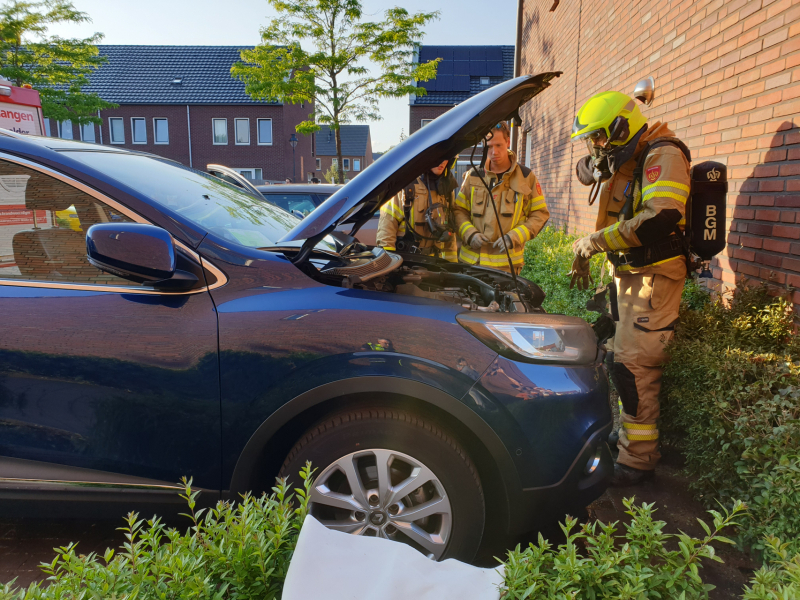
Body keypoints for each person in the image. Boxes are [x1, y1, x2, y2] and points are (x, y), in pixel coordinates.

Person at [569, 90, 691, 486]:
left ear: (622, 129)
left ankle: (638, 460)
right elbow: (600, 175)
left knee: (635, 367)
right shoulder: (633, 157)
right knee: (617, 361)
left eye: (600, 138)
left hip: (654, 282)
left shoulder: (663, 156)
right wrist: (593, 162)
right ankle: (627, 439)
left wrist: (597, 242)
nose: (596, 147)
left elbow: (661, 218)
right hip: (632, 280)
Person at [454, 122, 549, 274]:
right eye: (489, 146)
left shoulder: (526, 177)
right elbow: (458, 211)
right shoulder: (473, 176)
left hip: (506, 269)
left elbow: (540, 214)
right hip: (471, 264)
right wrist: (470, 234)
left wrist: (514, 237)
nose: (494, 152)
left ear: (508, 142)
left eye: (498, 145)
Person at [376, 159, 458, 262]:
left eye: (446, 158)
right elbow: (386, 230)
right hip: (406, 263)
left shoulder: (447, 190)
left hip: (435, 266)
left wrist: (452, 269)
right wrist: (388, 265)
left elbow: (450, 236)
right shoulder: (405, 184)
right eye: (439, 157)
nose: (442, 162)